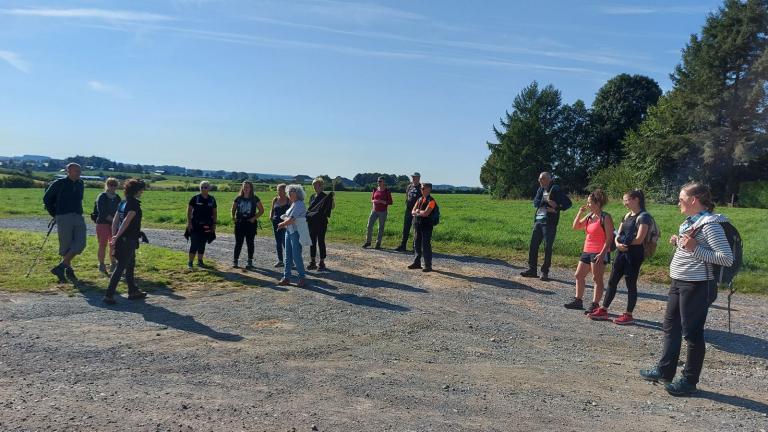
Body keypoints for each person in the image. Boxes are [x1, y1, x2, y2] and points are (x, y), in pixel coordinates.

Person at [640, 182, 733, 396]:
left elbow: (726, 258)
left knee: (692, 334)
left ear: (693, 200)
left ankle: (689, 381)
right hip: (679, 281)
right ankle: (665, 370)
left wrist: (694, 248)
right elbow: (693, 249)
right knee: (670, 327)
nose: (678, 203)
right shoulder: (692, 222)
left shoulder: (710, 225)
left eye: (681, 199)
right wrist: (680, 243)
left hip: (697, 285)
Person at [588, 190, 650, 324]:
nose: (624, 203)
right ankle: (604, 310)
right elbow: (618, 233)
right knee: (612, 281)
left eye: (626, 200)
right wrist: (618, 243)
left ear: (636, 200)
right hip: (621, 253)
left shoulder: (644, 217)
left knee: (630, 284)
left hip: (634, 255)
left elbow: (639, 239)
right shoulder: (627, 215)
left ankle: (628, 314)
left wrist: (623, 243)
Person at [564, 189, 614, 315]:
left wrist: (602, 254)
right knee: (578, 275)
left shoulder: (605, 217)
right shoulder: (590, 216)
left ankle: (595, 304)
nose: (587, 205)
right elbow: (575, 226)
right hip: (587, 249)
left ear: (597, 203)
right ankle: (578, 300)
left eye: (589, 202)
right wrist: (579, 213)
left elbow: (609, 238)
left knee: (597, 278)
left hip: (599, 251)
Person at [103, 179, 148, 305]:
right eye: (141, 190)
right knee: (121, 266)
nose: (142, 192)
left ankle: (133, 291)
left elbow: (115, 221)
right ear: (137, 191)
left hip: (122, 239)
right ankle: (109, 295)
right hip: (128, 239)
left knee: (131, 264)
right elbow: (126, 221)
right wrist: (116, 237)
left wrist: (114, 235)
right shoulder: (134, 204)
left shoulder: (123, 203)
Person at [520, 172, 571, 281]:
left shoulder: (555, 189)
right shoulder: (540, 190)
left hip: (549, 223)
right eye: (539, 179)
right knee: (533, 245)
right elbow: (535, 203)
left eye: (542, 179)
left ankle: (545, 272)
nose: (539, 181)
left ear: (549, 179)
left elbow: (568, 204)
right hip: (538, 221)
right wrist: (546, 201)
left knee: (547, 247)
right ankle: (532, 270)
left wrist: (556, 208)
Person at [43, 163, 86, 283]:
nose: (79, 173)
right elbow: (47, 199)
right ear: (68, 171)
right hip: (63, 216)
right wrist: (54, 214)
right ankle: (68, 270)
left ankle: (61, 267)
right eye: (76, 171)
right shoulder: (59, 183)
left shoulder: (80, 183)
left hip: (78, 215)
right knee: (66, 245)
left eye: (79, 170)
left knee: (81, 243)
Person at [277, 184, 311, 287]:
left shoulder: (299, 204)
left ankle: (302, 278)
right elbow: (290, 218)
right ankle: (286, 277)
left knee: (296, 256)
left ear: (298, 194)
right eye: (290, 192)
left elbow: (292, 219)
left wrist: (282, 224)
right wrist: (285, 222)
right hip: (289, 231)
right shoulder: (293, 204)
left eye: (293, 192)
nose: (291, 193)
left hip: (295, 233)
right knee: (288, 256)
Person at [231, 181, 264, 269]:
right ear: (242, 188)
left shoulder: (255, 198)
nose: (246, 189)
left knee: (250, 243)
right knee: (238, 243)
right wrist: (233, 217)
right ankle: (235, 261)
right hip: (240, 223)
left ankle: (250, 261)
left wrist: (254, 218)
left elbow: (261, 210)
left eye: (247, 187)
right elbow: (233, 209)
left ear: (251, 188)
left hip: (250, 224)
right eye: (244, 187)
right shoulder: (238, 198)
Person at [407, 182, 437, 272]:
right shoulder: (419, 199)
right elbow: (412, 211)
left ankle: (428, 265)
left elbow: (426, 213)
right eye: (421, 188)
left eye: (423, 188)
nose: (421, 190)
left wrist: (418, 211)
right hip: (417, 224)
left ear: (429, 189)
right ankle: (417, 263)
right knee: (416, 244)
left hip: (426, 225)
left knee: (425, 245)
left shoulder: (431, 201)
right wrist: (419, 211)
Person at [186, 181, 217, 268]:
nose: (203, 189)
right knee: (194, 244)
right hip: (195, 225)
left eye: (205, 187)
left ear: (209, 188)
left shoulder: (212, 199)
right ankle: (190, 263)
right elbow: (189, 211)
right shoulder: (195, 198)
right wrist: (189, 223)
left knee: (202, 243)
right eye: (202, 187)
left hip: (207, 225)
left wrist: (214, 224)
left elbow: (215, 212)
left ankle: (200, 261)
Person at [94, 178, 121, 275]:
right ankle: (101, 264)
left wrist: (117, 222)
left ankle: (113, 263)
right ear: (107, 185)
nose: (113, 187)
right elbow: (102, 212)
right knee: (102, 244)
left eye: (115, 185)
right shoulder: (102, 196)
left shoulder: (117, 197)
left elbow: (120, 211)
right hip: (102, 223)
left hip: (114, 224)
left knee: (113, 244)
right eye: (111, 184)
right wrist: (114, 221)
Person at [307, 177, 334, 271]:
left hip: (321, 222)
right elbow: (310, 208)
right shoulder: (312, 196)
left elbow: (332, 207)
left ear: (321, 186)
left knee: (321, 241)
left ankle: (322, 262)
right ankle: (313, 261)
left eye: (317, 185)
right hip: (311, 222)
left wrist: (331, 199)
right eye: (313, 185)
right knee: (312, 242)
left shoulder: (326, 196)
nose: (315, 187)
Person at [362, 177, 393, 249]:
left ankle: (378, 243)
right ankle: (368, 242)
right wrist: (374, 201)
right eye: (378, 181)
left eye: (380, 181)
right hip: (374, 210)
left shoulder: (387, 191)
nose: (378, 182)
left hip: (383, 212)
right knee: (369, 226)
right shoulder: (375, 190)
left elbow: (391, 202)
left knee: (381, 228)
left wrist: (383, 202)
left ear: (383, 182)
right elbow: (372, 199)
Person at [396, 172, 421, 252]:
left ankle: (415, 247)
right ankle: (403, 245)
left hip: (417, 211)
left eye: (415, 177)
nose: (413, 178)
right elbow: (407, 195)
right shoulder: (409, 186)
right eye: (413, 177)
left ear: (419, 178)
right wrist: (407, 202)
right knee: (406, 228)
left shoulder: (421, 187)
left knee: (416, 229)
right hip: (408, 210)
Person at [269, 184, 291, 268]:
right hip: (276, 223)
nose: (279, 192)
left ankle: (289, 261)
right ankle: (280, 260)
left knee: (286, 242)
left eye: (281, 190)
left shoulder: (289, 200)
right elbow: (272, 209)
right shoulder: (275, 199)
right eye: (278, 190)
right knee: (278, 242)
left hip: (286, 224)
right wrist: (271, 216)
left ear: (285, 191)